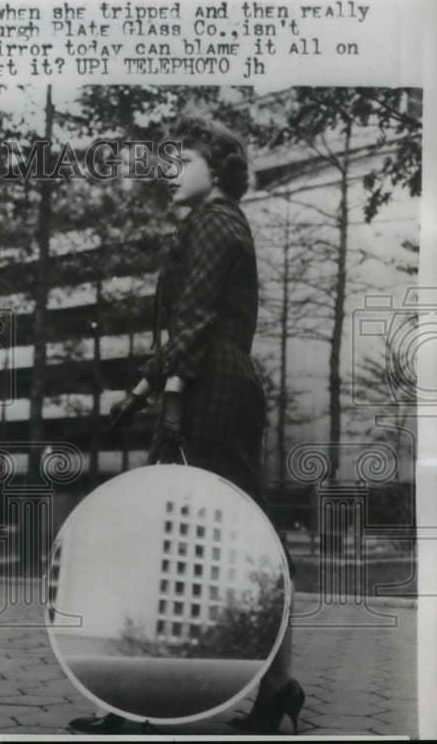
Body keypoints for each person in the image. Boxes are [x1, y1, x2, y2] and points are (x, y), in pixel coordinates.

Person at [69, 116, 303, 735]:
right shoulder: (222, 225)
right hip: (219, 383)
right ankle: (277, 687)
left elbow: (194, 325)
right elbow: (197, 327)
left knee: (174, 537)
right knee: (236, 536)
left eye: (182, 159)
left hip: (207, 392)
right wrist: (144, 386)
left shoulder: (213, 224)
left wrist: (169, 395)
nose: (168, 170)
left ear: (219, 167)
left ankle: (138, 701)